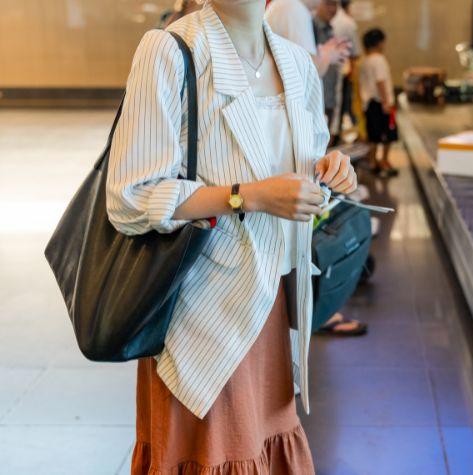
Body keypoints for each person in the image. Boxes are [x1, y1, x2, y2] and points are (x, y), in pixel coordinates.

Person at [106, 1, 358, 472]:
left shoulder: (296, 62)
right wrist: (247, 197)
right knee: (214, 453)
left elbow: (304, 170)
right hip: (198, 310)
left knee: (262, 443)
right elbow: (130, 196)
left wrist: (332, 173)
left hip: (271, 303)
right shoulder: (170, 50)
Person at [268, 0, 367, 337]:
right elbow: (300, 77)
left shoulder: (293, 12)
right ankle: (314, 309)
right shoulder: (290, 9)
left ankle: (312, 307)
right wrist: (324, 58)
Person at [265, 0, 349, 77]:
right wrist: (327, 55)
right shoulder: (293, 8)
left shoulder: (291, 6)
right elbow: (307, 71)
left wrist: (324, 53)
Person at [360, 28, 398, 177]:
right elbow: (380, 81)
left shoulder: (366, 61)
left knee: (373, 135)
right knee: (387, 134)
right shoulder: (379, 59)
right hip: (380, 102)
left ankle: (373, 162)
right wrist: (386, 102)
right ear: (379, 43)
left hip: (369, 103)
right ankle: (384, 161)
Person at [313, 0, 344, 143]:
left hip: (329, 95)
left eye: (335, 5)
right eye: (329, 4)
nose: (333, 9)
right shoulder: (310, 26)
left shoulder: (329, 28)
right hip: (317, 96)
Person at [331, 0, 360, 136]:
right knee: (339, 108)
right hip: (340, 72)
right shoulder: (348, 22)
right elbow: (355, 54)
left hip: (326, 70)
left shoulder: (314, 17)